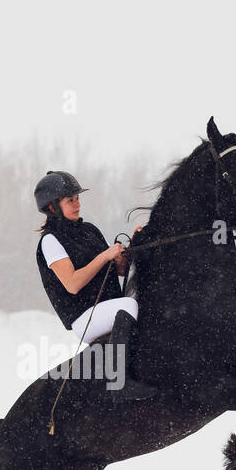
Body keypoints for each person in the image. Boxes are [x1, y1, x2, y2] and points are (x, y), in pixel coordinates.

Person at [33, 170, 156, 404]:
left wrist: (129, 249)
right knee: (130, 305)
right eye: (70, 200)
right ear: (52, 207)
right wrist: (104, 255)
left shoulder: (89, 230)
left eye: (78, 198)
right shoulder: (50, 240)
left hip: (108, 308)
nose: (77, 204)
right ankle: (117, 382)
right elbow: (72, 284)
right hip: (83, 318)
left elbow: (119, 271)